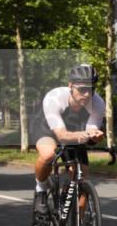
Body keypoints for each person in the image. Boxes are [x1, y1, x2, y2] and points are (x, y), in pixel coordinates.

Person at [31, 65, 105, 215]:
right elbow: (62, 135)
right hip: (48, 130)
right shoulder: (55, 98)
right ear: (70, 86)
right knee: (48, 155)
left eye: (90, 89)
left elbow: (90, 132)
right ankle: (41, 189)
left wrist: (96, 137)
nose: (86, 94)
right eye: (82, 89)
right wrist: (85, 135)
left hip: (75, 134)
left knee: (81, 176)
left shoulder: (97, 102)